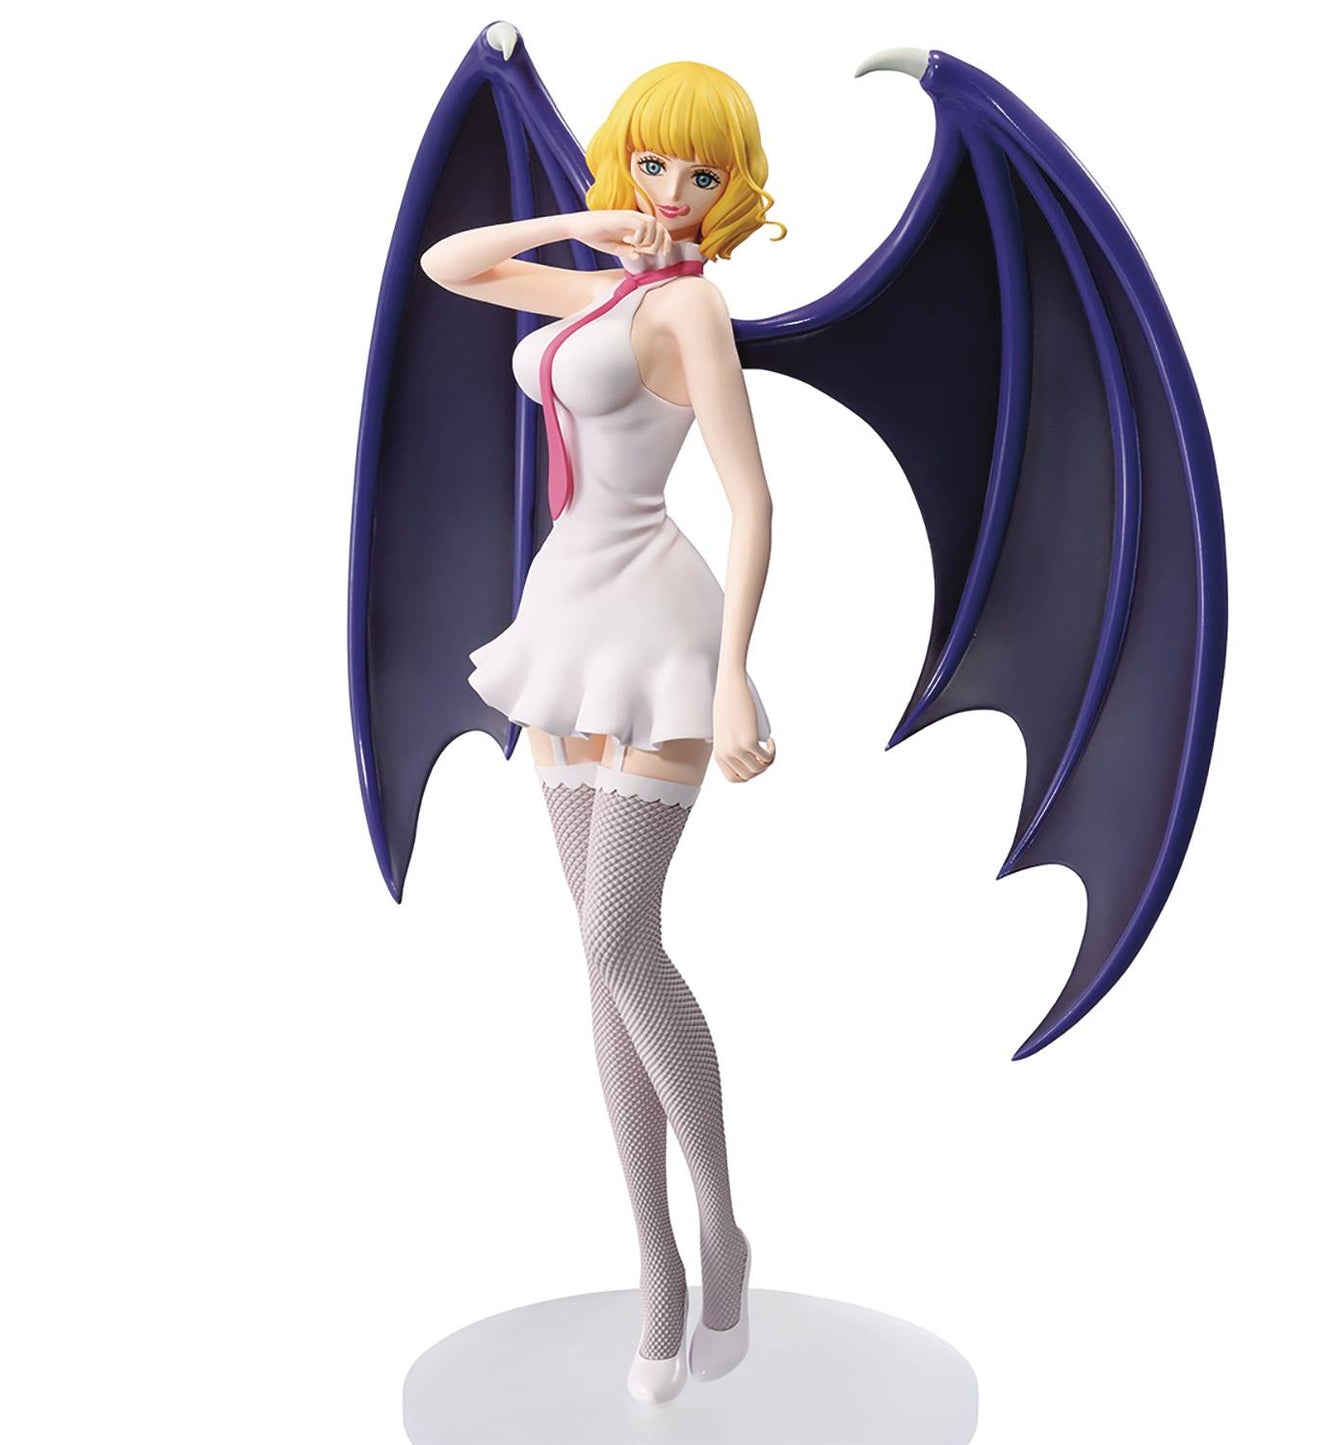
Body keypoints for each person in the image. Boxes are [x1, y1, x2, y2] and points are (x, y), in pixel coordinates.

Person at [417, 59, 784, 1403]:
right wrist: (581, 226)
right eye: (653, 162)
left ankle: (723, 1229)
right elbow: (452, 266)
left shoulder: (689, 306)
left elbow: (751, 498)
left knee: (622, 939)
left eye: (701, 172)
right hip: (561, 619)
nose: (674, 190)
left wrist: (735, 674)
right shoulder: (612, 290)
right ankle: (656, 1267)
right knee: (597, 960)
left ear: (732, 188)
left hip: (661, 626)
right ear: (622, 159)